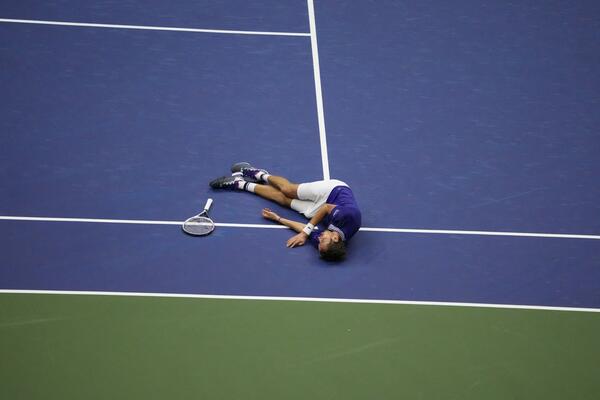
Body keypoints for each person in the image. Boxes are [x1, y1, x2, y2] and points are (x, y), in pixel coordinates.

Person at [209, 162, 361, 261]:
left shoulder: (326, 246)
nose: (319, 238)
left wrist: (278, 219)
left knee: (283, 201)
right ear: (335, 238)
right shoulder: (350, 217)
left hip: (323, 211)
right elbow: (326, 208)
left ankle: (240, 184)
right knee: (288, 190)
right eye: (323, 239)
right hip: (332, 192)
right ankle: (258, 173)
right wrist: (305, 232)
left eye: (319, 241)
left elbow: (306, 231)